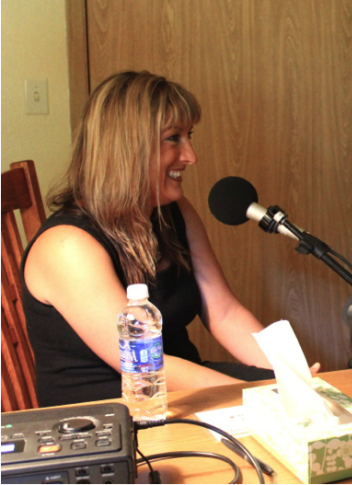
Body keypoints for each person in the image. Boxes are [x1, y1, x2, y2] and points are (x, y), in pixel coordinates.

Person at [21, 71, 317, 407]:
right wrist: (258, 395)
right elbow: (144, 365)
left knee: (316, 402)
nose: (191, 156)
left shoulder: (173, 211)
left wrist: (288, 373)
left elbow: (224, 313)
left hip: (179, 391)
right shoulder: (67, 247)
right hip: (110, 414)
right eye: (173, 138)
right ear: (127, 148)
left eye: (188, 136)